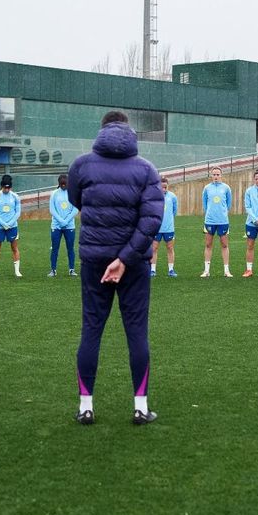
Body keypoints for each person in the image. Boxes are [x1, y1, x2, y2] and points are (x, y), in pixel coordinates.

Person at [67, 111, 163, 425]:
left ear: (103, 129)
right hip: (133, 264)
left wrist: (111, 254)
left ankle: (85, 406)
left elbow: (77, 200)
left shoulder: (82, 165)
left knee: (91, 331)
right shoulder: (146, 169)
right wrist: (124, 259)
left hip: (95, 260)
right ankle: (140, 406)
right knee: (137, 333)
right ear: (128, 129)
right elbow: (151, 221)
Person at [201, 167, 232, 278]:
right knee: (208, 244)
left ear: (221, 175)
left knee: (224, 245)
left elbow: (229, 204)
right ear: (211, 176)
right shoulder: (207, 188)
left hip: (223, 221)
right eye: (214, 174)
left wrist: (222, 213)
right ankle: (206, 271)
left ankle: (226, 271)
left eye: (218, 174)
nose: (216, 176)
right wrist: (209, 213)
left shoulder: (226, 188)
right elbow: (204, 203)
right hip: (209, 221)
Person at [0, 174, 21, 277]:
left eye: (8, 188)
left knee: (14, 248)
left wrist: (10, 223)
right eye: (5, 187)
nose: (6, 190)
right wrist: (3, 224)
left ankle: (17, 271)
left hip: (12, 226)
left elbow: (18, 212)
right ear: (1, 186)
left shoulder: (15, 197)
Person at [48, 173, 78, 277]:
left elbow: (75, 209)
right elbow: (52, 210)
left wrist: (66, 221)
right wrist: (61, 221)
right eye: (62, 184)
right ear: (59, 184)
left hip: (69, 226)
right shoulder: (54, 194)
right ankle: (53, 270)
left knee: (70, 248)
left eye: (65, 184)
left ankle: (71, 269)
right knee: (55, 248)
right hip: (56, 226)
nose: (64, 186)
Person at [150, 176, 178, 278]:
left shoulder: (173, 197)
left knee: (170, 248)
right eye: (162, 187)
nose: (163, 189)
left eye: (165, 187)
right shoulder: (154, 197)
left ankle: (171, 270)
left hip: (169, 228)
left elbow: (174, 211)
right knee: (154, 248)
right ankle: (152, 270)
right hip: (156, 228)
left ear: (167, 186)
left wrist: (168, 220)